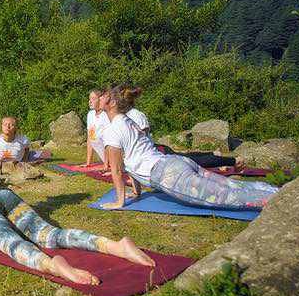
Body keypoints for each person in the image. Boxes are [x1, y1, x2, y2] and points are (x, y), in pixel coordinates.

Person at [0, 93, 156, 286]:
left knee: (11, 243)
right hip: (1, 192)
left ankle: (51, 265)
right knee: (49, 233)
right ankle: (115, 246)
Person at [99, 85, 279, 211]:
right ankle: (279, 192)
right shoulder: (129, 122)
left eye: (104, 96)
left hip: (168, 174)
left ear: (113, 103)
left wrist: (119, 202)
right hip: (175, 162)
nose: (100, 97)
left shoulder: (112, 129)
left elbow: (116, 169)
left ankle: (282, 201)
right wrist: (137, 192)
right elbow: (134, 157)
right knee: (232, 185)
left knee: (229, 197)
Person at [119, 87, 242, 170]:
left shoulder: (136, 115)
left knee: (193, 162)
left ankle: (233, 160)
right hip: (152, 153)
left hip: (157, 153)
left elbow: (142, 140)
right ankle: (213, 153)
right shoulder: (124, 116)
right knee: (187, 157)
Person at [85, 89, 110, 168]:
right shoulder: (90, 114)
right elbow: (90, 138)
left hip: (116, 159)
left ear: (100, 100)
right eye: (89, 99)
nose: (90, 101)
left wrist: (106, 165)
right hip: (105, 159)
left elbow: (109, 141)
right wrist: (88, 163)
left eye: (93, 98)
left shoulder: (106, 115)